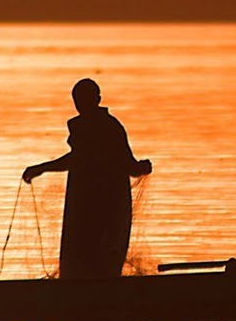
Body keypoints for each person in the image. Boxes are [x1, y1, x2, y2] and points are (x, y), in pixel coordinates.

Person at [23, 78, 152, 279]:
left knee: (100, 251)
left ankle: (94, 297)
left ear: (97, 99)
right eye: (77, 99)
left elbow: (122, 164)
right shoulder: (98, 126)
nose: (80, 104)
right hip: (85, 204)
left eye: (84, 99)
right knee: (86, 256)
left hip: (105, 204)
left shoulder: (108, 127)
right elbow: (82, 159)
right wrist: (140, 168)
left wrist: (141, 168)